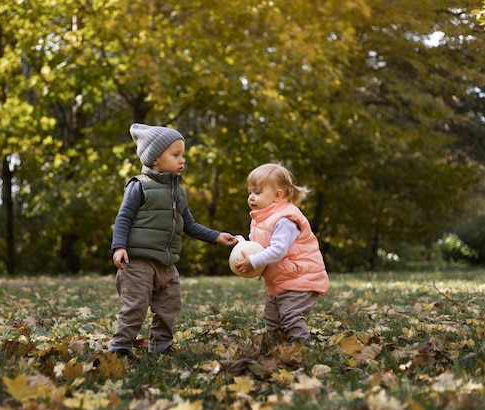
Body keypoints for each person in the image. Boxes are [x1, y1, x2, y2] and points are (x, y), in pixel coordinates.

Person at [110, 123, 238, 362]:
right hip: (138, 261)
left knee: (170, 304)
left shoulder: (178, 193)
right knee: (136, 306)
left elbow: (189, 224)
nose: (182, 161)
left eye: (182, 155)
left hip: (167, 263)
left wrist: (216, 236)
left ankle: (160, 344)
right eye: (175, 155)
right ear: (155, 159)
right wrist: (119, 247)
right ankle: (120, 348)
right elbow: (123, 218)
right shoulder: (139, 185)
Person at [234, 163, 329, 346]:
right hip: (281, 281)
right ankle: (279, 350)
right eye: (250, 192)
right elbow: (259, 246)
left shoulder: (285, 219)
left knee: (290, 317)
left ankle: (301, 349)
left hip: (300, 278)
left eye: (258, 192)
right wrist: (241, 244)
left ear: (278, 195)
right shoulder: (262, 218)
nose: (251, 197)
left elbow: (278, 251)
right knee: (272, 319)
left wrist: (253, 261)